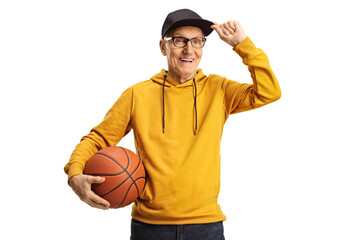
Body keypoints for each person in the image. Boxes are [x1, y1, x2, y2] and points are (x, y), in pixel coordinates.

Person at [64, 8, 281, 240]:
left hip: (206, 226)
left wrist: (242, 44)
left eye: (197, 41)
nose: (189, 49)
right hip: (150, 227)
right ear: (163, 46)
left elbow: (269, 92)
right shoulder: (137, 94)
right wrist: (74, 173)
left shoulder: (219, 90)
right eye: (179, 40)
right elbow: (97, 139)